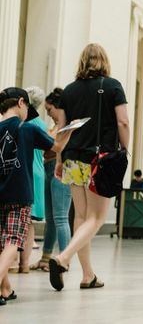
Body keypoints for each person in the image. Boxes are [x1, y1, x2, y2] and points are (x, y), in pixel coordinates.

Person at [50, 43, 130, 292]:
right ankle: (63, 258)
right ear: (104, 61)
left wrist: (60, 159)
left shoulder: (69, 91)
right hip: (99, 160)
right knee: (96, 218)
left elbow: (63, 130)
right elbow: (123, 122)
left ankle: (88, 275)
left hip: (73, 158)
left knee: (81, 217)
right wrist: (125, 149)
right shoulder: (113, 86)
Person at [0, 87, 72, 305]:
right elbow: (56, 146)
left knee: (2, 244)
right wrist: (70, 130)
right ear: (21, 103)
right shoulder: (28, 128)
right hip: (20, 194)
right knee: (13, 241)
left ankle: (5, 289)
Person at [32, 88, 72, 272]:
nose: (47, 113)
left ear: (58, 107)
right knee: (50, 219)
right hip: (48, 168)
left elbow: (56, 147)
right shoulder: (56, 126)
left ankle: (64, 260)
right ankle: (46, 258)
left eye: (49, 109)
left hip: (60, 170)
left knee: (61, 218)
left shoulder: (67, 126)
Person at [16, 87, 46, 274]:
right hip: (38, 172)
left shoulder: (22, 122)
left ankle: (11, 263)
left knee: (15, 218)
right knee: (29, 222)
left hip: (23, 171)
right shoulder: (41, 124)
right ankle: (24, 264)